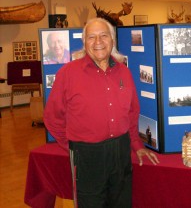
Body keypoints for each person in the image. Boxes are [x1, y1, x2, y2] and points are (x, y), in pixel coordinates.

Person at [43, 17, 159, 208]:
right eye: (92, 37)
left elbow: (131, 114)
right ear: (84, 42)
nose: (98, 42)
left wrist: (137, 145)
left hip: (120, 152)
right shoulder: (68, 73)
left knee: (121, 203)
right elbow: (52, 118)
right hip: (87, 155)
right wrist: (74, 147)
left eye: (104, 36)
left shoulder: (124, 72)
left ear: (112, 40)